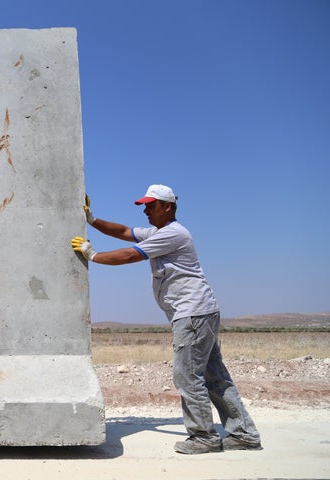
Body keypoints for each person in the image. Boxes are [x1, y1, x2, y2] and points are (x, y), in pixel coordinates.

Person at [71, 184, 262, 455]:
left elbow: (129, 254)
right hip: (199, 313)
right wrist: (92, 220)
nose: (146, 210)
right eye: (145, 206)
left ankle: (203, 437)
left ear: (167, 206)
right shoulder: (158, 232)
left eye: (151, 205)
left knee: (187, 376)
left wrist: (93, 255)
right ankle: (243, 434)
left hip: (192, 314)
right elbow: (125, 232)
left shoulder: (172, 234)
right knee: (214, 376)